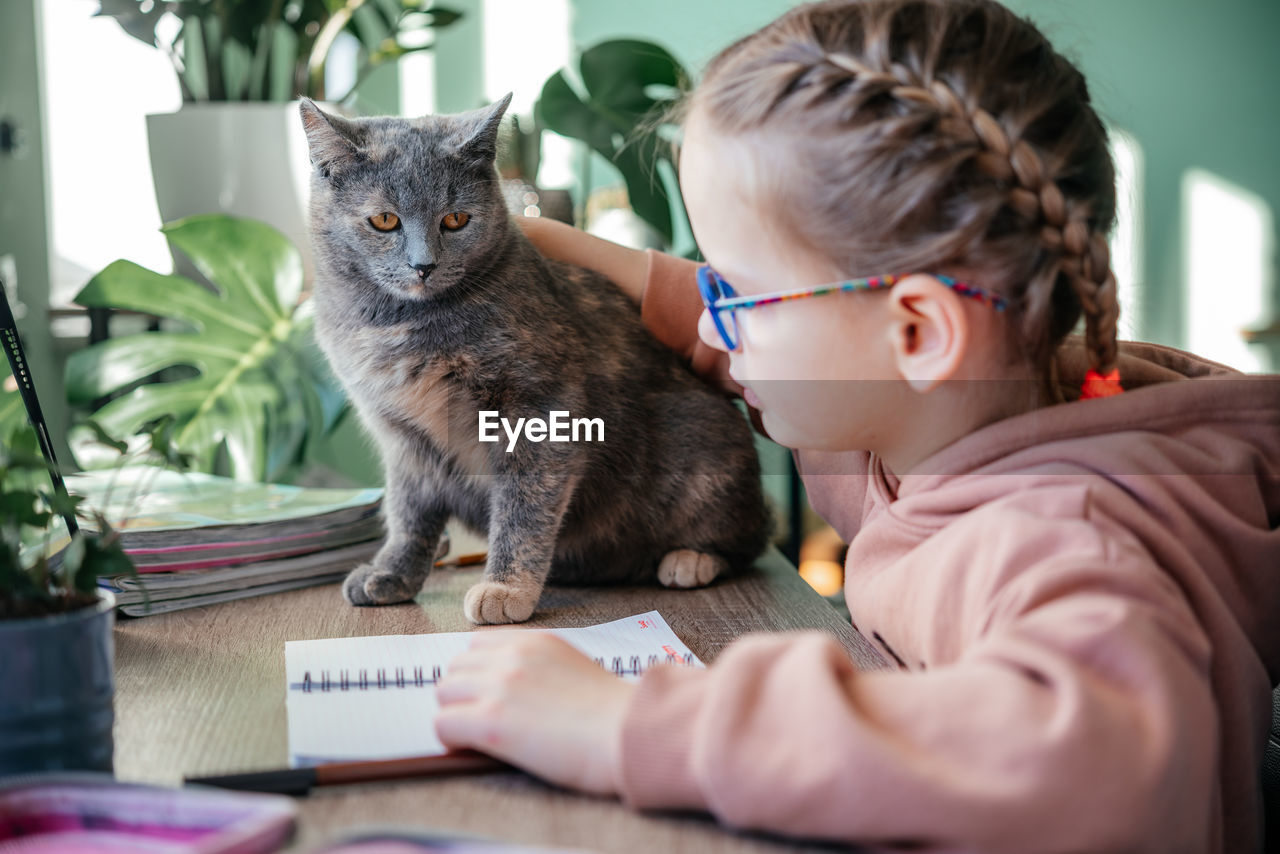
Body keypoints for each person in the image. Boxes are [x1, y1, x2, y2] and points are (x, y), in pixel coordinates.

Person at [434, 1, 1280, 850]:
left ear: (917, 334)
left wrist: (622, 727)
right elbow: (718, 323)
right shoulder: (903, 406)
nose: (720, 327)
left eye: (741, 294)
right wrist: (538, 244)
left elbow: (1091, 766)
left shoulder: (1065, 543)